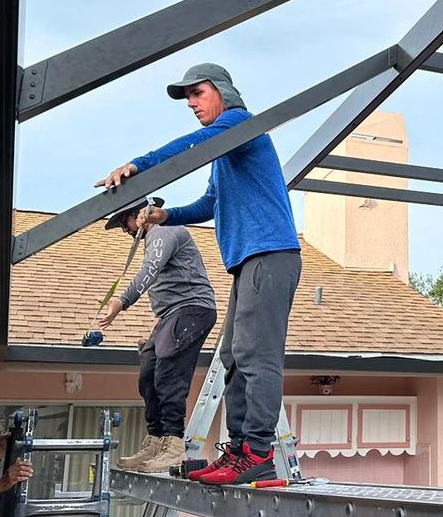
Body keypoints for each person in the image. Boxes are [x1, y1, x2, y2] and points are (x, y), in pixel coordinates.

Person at [96, 63, 300, 485]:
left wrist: (140, 165)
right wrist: (166, 213)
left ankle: (258, 453)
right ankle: (240, 449)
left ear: (222, 91)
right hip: (249, 260)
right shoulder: (227, 153)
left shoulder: (241, 124)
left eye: (197, 93)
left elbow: (194, 145)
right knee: (232, 357)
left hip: (271, 253)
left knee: (255, 356)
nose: (191, 103)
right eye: (186, 97)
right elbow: (211, 203)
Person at [97, 197, 218, 474]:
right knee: (149, 369)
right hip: (171, 315)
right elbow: (164, 285)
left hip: (192, 308)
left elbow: (150, 270)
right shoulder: (155, 239)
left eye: (124, 223)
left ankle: (174, 445)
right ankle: (155, 441)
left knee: (168, 370)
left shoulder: (164, 232)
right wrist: (158, 329)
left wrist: (121, 302)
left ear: (138, 213)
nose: (126, 230)